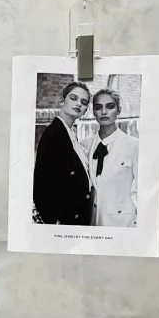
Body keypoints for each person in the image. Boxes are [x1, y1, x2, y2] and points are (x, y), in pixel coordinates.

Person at [33, 81, 95, 225]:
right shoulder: (54, 133)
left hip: (77, 218)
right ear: (62, 101)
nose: (78, 104)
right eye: (73, 98)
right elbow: (42, 184)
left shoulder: (70, 134)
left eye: (84, 102)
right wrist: (54, 222)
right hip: (66, 221)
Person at [84, 87, 139, 227]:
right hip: (90, 222)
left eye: (110, 106)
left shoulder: (134, 146)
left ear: (118, 110)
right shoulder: (84, 145)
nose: (104, 112)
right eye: (98, 107)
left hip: (122, 223)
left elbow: (141, 190)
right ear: (93, 112)